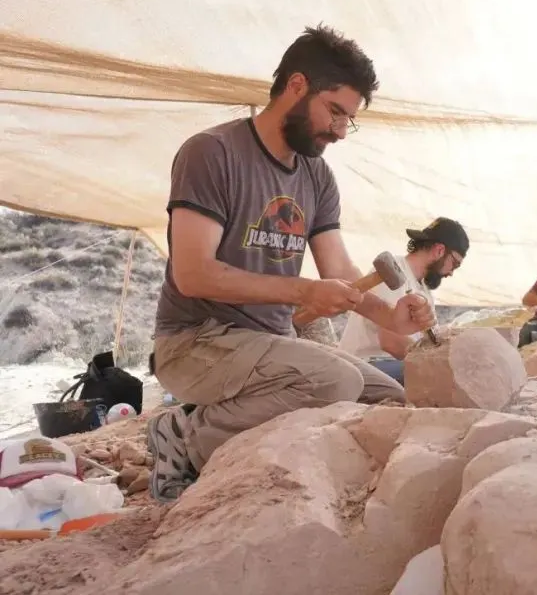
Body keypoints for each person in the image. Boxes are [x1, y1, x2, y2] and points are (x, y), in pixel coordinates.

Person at [147, 25, 436, 503]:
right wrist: (302, 291)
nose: (340, 131)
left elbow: (339, 271)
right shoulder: (212, 153)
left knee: (386, 399)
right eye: (335, 112)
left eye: (349, 120)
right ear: (297, 86)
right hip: (194, 341)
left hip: (272, 343)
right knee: (335, 380)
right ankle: (183, 435)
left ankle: (265, 453)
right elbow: (193, 274)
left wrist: (391, 316)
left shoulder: (316, 176)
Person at [337, 217, 469, 384]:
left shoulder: (424, 292)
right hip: (363, 365)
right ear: (439, 250)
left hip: (388, 366)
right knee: (437, 377)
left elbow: (427, 343)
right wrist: (435, 363)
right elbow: (391, 342)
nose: (451, 273)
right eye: (455, 264)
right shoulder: (393, 270)